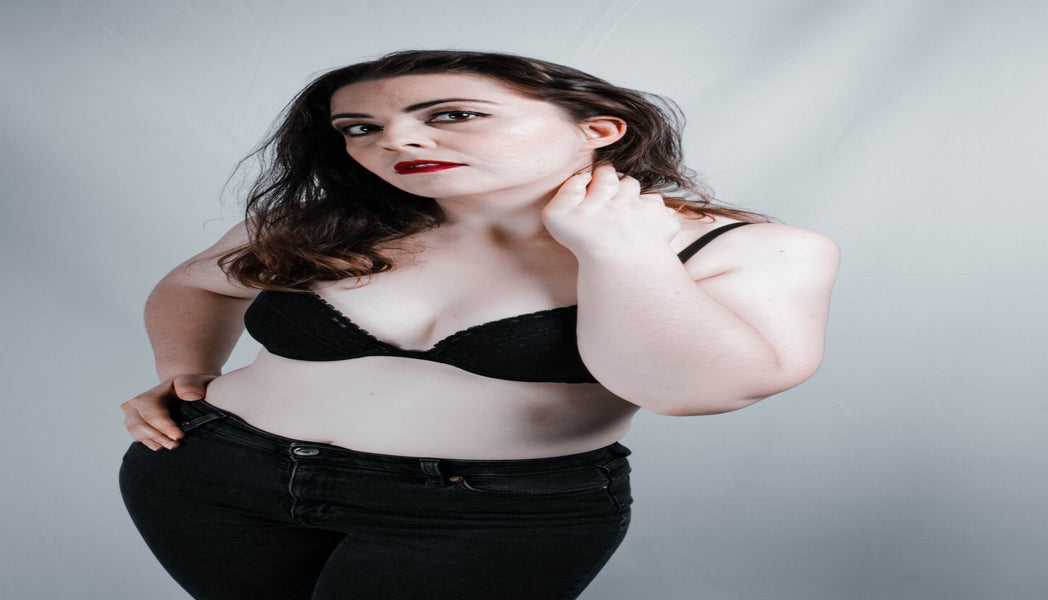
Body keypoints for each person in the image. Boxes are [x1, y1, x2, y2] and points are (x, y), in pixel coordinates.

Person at [118, 49, 839, 600]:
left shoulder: (748, 249)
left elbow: (693, 391)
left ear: (598, 128)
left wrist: (616, 249)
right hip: (216, 479)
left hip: (485, 517)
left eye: (451, 115)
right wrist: (185, 375)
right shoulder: (323, 223)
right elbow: (193, 286)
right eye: (362, 128)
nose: (395, 141)